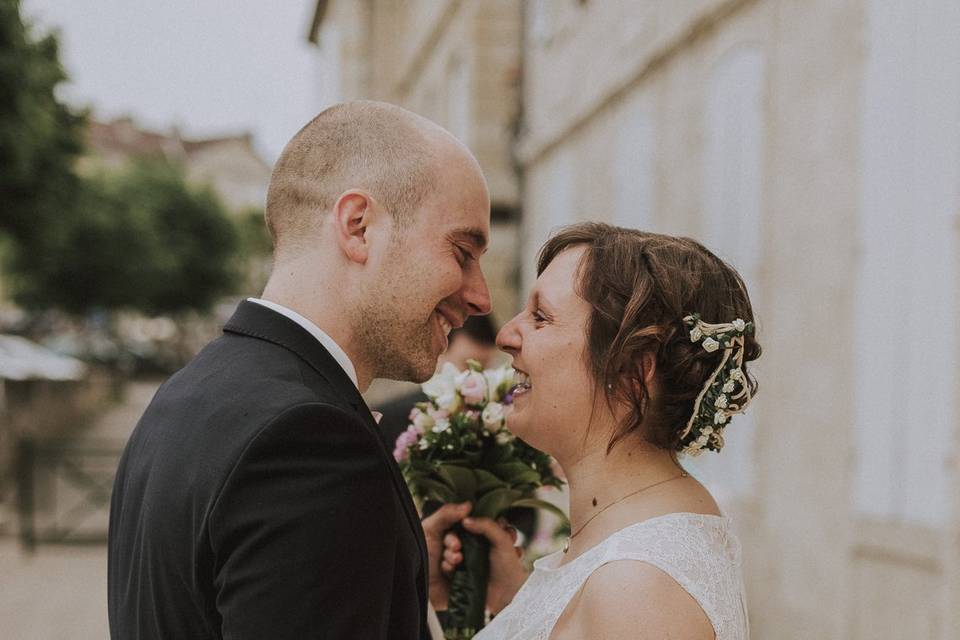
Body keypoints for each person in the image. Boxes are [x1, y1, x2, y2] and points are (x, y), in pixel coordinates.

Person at [107, 101, 491, 639]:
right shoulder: (311, 439)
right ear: (358, 226)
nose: (480, 296)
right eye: (463, 251)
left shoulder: (186, 392)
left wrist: (391, 575)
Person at [432, 223, 760, 639]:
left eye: (540, 317)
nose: (506, 335)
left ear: (632, 372)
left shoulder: (638, 589)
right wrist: (510, 604)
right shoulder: (627, 555)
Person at [378, 314, 499, 447]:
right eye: (467, 366)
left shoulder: (495, 422)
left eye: (485, 367)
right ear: (440, 352)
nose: (476, 377)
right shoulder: (389, 419)